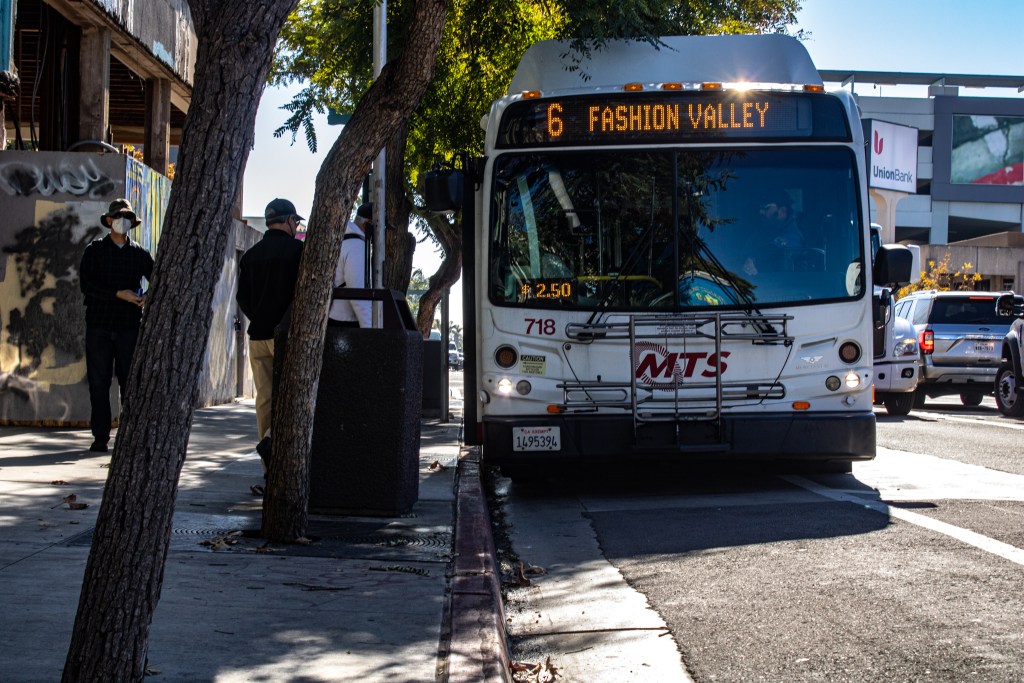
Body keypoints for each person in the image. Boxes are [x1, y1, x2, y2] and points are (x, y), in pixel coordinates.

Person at [79, 198, 155, 453]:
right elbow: (87, 286)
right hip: (99, 326)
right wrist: (117, 294)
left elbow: (158, 278)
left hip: (128, 327)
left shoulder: (140, 254)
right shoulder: (94, 250)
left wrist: (146, 297)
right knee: (99, 383)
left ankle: (130, 436)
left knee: (129, 382)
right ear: (109, 220)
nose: (123, 221)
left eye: (128, 218)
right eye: (119, 216)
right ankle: (100, 437)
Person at [236, 198, 304, 468]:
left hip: (257, 337)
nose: (296, 227)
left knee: (264, 399)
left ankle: (269, 467)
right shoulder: (298, 251)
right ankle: (272, 440)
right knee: (291, 396)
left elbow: (242, 298)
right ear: (288, 220)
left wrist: (260, 316)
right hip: (287, 337)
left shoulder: (251, 256)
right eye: (296, 222)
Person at [328, 202, 373, 328]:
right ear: (368, 224)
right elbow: (359, 296)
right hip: (344, 323)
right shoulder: (357, 247)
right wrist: (372, 334)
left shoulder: (341, 240)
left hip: (331, 318)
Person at [742, 193, 805, 277]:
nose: (761, 212)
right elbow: (742, 255)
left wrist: (754, 259)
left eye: (766, 207)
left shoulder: (794, 234)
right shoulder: (759, 234)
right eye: (760, 208)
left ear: (782, 211)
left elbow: (777, 249)